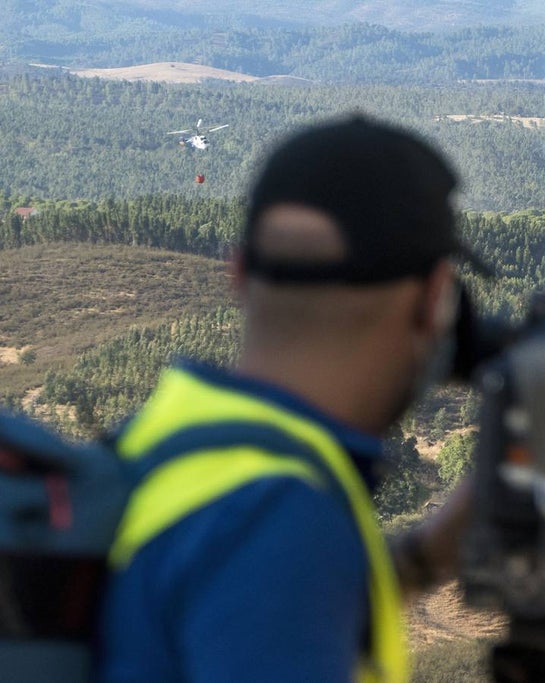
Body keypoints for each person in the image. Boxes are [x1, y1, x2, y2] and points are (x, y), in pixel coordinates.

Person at [97, 115, 478, 683]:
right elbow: (269, 579)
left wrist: (425, 557)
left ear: (238, 271)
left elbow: (235, 600)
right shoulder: (280, 517)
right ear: (435, 299)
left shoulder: (169, 436)